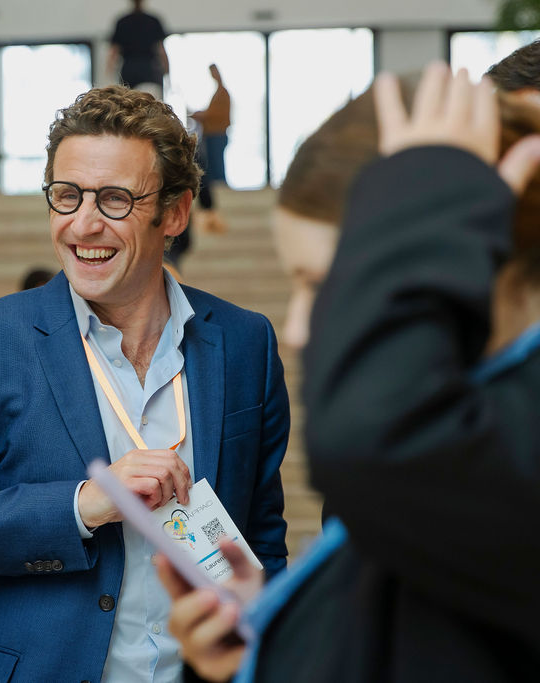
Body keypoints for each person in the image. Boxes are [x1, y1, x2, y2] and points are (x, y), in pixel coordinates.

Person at [0, 85, 289, 682]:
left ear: (175, 213)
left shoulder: (244, 341)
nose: (83, 224)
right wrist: (81, 505)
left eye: (115, 200)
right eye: (67, 195)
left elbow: (261, 536)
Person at [158, 63, 540, 682]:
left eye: (334, 287)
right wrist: (272, 636)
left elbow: (371, 443)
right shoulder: (433, 441)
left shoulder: (408, 439)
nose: (300, 328)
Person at [108, 0, 169, 99]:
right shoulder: (152, 21)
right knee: (149, 101)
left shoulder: (123, 22)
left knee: (129, 101)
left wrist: (109, 74)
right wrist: (166, 70)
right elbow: (161, 50)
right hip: (147, 69)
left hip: (131, 69)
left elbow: (114, 52)